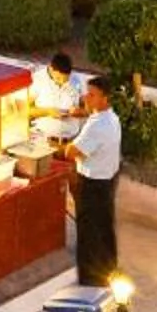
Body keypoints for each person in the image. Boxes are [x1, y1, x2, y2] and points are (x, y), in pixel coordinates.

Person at [67, 80, 123, 285]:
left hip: (92, 184)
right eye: (86, 94)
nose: (86, 98)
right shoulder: (111, 118)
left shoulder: (97, 126)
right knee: (105, 227)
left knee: (88, 232)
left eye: (91, 95)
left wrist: (65, 146)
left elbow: (71, 152)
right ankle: (109, 269)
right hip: (108, 180)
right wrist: (83, 113)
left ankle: (90, 280)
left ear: (104, 98)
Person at [30, 52, 84, 143]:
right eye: (58, 78)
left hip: (70, 140)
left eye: (66, 80)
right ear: (51, 69)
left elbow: (85, 107)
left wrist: (78, 111)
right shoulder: (37, 80)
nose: (62, 83)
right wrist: (48, 112)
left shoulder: (76, 80)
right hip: (44, 140)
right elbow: (23, 110)